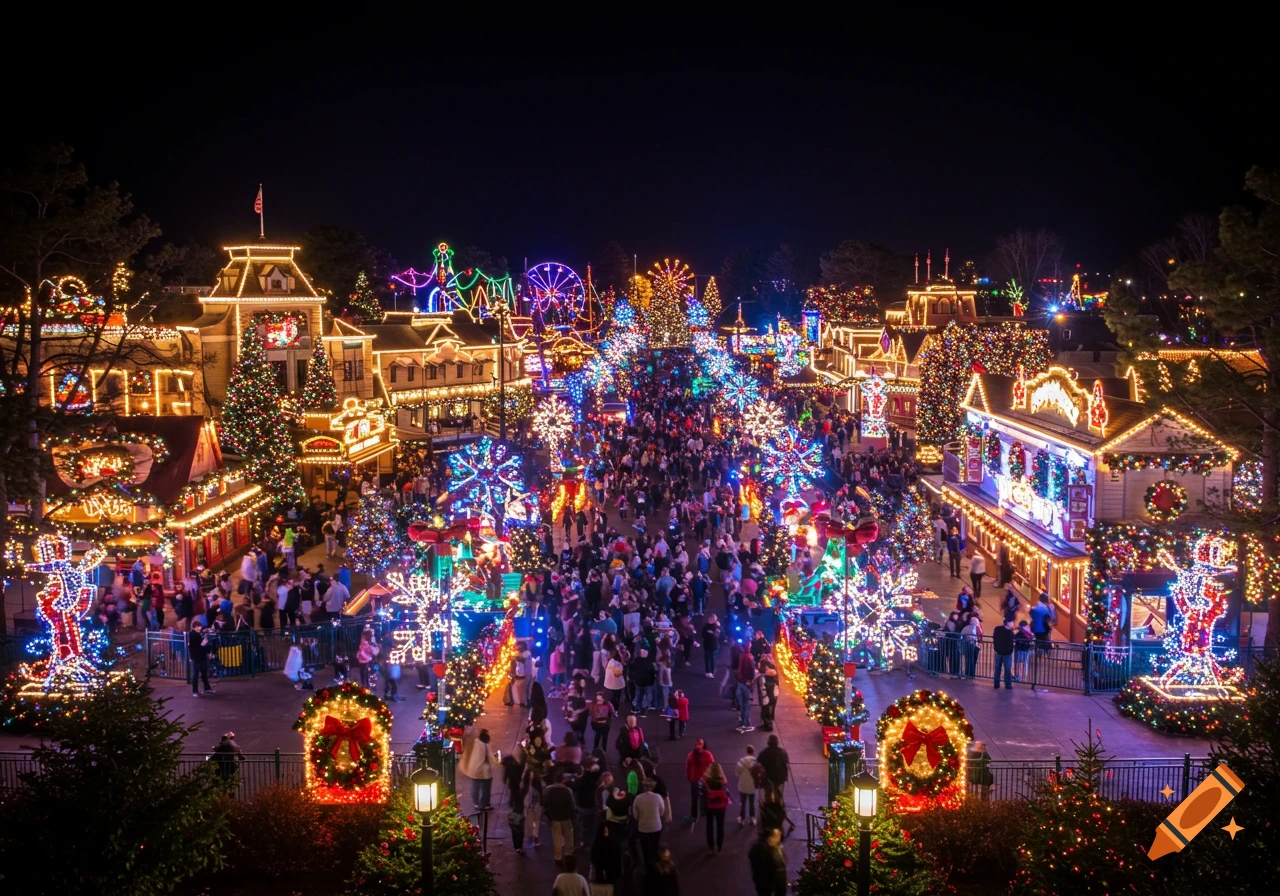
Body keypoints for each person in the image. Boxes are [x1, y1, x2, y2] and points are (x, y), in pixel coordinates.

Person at [543, 770, 578, 865]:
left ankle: (558, 856)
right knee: (568, 835)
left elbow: (544, 802)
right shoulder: (567, 790)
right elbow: (573, 805)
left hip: (554, 817)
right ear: (563, 780)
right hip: (566, 816)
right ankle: (568, 853)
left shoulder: (547, 789)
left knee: (556, 837)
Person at [631, 777, 665, 867]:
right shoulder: (658, 797)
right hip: (656, 826)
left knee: (645, 848)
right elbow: (662, 811)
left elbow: (635, 815)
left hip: (643, 827)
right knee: (654, 845)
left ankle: (647, 865)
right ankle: (655, 862)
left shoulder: (638, 798)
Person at [460, 727, 495, 811]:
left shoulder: (475, 742)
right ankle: (484, 804)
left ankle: (476, 803)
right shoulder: (486, 745)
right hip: (483, 771)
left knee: (475, 786)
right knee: (486, 787)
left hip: (473, 770)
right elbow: (490, 757)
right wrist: (497, 761)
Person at [700, 762, 731, 855]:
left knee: (709, 826)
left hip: (710, 807)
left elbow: (702, 796)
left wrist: (702, 809)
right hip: (721, 807)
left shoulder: (705, 781)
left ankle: (711, 845)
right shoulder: (723, 781)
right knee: (720, 826)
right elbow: (726, 793)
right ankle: (719, 846)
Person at [748, 827, 788, 896]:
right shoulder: (760, 850)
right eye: (777, 835)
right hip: (768, 882)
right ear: (769, 837)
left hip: (777, 880)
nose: (779, 837)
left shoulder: (774, 846)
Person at [683, 738, 715, 822]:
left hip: (694, 779)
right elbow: (712, 766)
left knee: (694, 798)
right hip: (705, 779)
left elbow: (688, 767)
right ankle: (704, 811)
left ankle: (694, 815)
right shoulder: (708, 754)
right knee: (705, 795)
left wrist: (688, 777)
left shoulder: (691, 755)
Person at [188, 619, 214, 697]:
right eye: (197, 627)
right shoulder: (193, 635)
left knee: (204, 673)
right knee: (196, 675)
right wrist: (203, 643)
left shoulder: (198, 634)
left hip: (201, 656)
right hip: (196, 657)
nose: (199, 628)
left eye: (199, 627)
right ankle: (195, 691)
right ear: (194, 627)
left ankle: (207, 688)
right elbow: (197, 645)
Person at [736, 744, 760, 825]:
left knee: (743, 803)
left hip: (743, 786)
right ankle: (752, 818)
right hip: (752, 786)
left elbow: (737, 773)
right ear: (753, 752)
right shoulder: (756, 763)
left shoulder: (741, 762)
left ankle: (742, 819)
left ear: (746, 752)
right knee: (752, 803)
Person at [734, 647, 755, 733]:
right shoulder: (748, 658)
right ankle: (746, 724)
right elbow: (752, 671)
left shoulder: (740, 656)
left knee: (742, 704)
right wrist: (749, 680)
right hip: (745, 683)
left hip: (740, 682)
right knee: (746, 704)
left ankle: (742, 722)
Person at [992, 612, 1015, 689]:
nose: (1013, 623)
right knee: (1007, 669)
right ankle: (1007, 684)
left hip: (998, 652)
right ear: (1007, 623)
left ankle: (996, 683)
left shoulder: (997, 629)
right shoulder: (1010, 633)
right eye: (1011, 622)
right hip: (1007, 653)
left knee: (997, 668)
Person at [700, 613, 721, 678]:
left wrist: (718, 628)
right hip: (707, 645)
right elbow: (703, 634)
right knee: (707, 659)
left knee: (711, 659)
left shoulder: (716, 626)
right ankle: (707, 672)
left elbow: (719, 635)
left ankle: (711, 672)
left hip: (713, 645)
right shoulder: (706, 626)